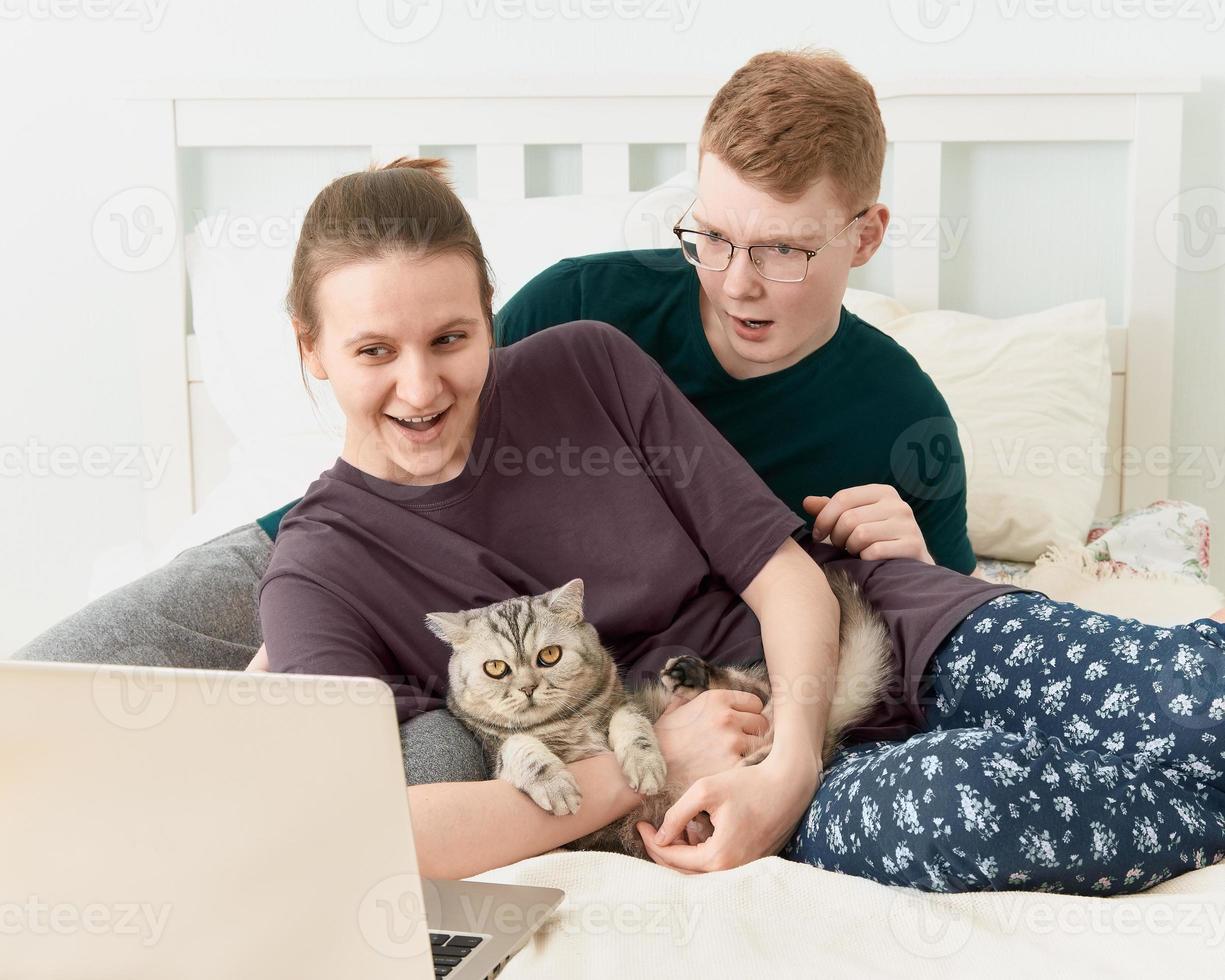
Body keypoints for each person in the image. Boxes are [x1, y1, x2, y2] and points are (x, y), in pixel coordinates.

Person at [255, 156, 1225, 896]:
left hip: (874, 634)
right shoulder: (320, 570)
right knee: (962, 807)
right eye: (374, 350)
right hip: (720, 791)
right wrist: (644, 765)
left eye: (452, 338)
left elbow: (783, 576)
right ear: (311, 349)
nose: (420, 386)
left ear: (488, 315)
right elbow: (363, 828)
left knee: (1200, 701)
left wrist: (794, 750)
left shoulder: (587, 365)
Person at [14, 49, 966, 789]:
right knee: (44, 703)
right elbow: (426, 425)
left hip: (529, 662)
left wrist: (915, 562)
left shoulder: (898, 417)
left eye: (781, 250)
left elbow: (922, 640)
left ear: (865, 235)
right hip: (346, 555)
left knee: (335, 784)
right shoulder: (585, 306)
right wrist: (303, 624)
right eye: (711, 236)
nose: (734, 280)